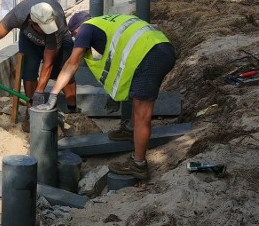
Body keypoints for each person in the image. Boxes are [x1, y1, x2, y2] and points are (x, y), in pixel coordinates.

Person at [38, 11, 176, 181]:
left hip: (151, 56)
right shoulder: (108, 22)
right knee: (138, 98)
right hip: (161, 47)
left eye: (74, 35)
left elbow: (71, 63)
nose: (77, 39)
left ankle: (138, 164)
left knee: (143, 113)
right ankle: (131, 129)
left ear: (77, 28)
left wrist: (53, 95)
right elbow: (121, 58)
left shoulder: (86, 29)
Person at [0, 0, 79, 130]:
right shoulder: (17, 15)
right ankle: (31, 112)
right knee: (29, 69)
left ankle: (73, 111)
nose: (47, 29)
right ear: (31, 22)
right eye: (43, 27)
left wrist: (40, 91)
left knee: (63, 70)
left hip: (61, 38)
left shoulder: (55, 27)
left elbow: (48, 63)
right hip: (29, 39)